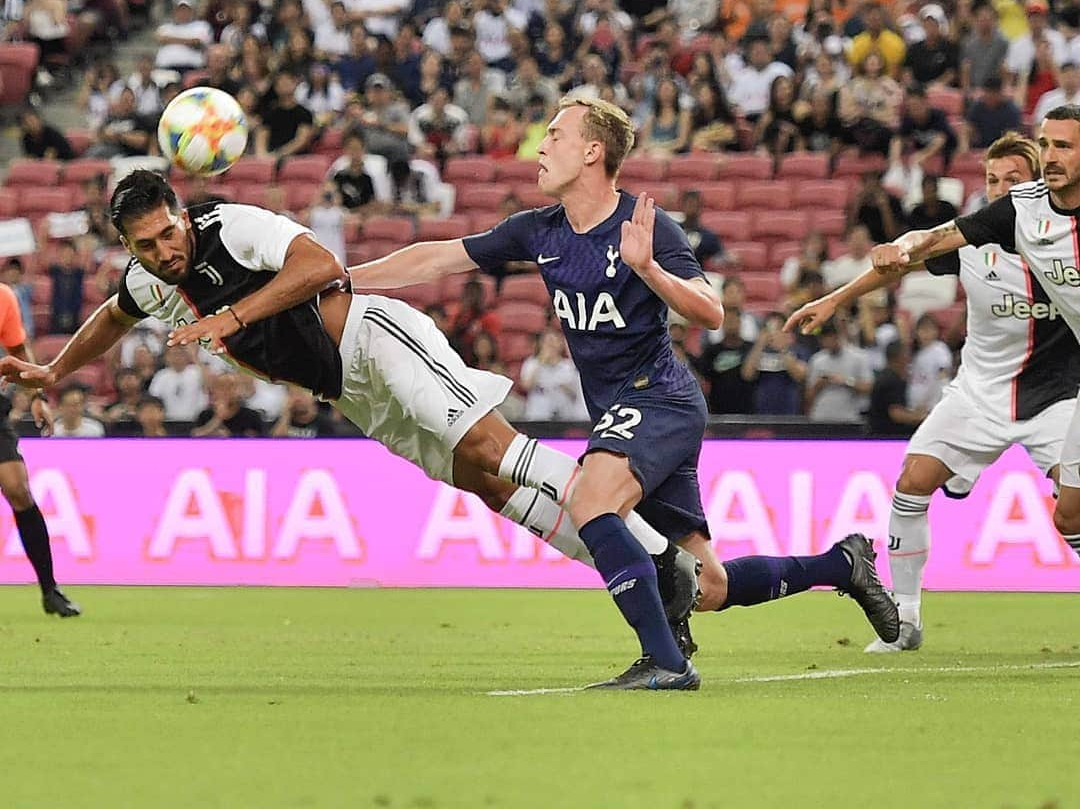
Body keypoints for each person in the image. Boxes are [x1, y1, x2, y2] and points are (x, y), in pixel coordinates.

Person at [0, 169, 702, 686]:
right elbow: (113, 317)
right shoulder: (150, 278)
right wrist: (56, 369)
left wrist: (233, 317)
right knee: (486, 485)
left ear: (181, 215)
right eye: (145, 245)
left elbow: (322, 265)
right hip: (351, 392)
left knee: (494, 447)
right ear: (127, 244)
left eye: (167, 233)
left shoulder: (232, 227)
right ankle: (639, 569)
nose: (163, 251)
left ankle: (663, 562)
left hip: (374, 336)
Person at [347, 97, 899, 687]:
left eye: (555, 135)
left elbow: (711, 311)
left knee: (589, 501)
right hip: (623, 412)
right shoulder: (539, 230)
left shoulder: (645, 224)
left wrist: (649, 272)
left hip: (660, 397)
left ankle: (665, 663)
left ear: (592, 151)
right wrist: (342, 280)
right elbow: (438, 259)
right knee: (708, 585)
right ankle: (843, 564)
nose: (540, 146)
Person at [790, 131, 1079, 650]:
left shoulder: (1060, 241)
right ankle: (905, 620)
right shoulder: (972, 242)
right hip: (979, 392)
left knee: (1075, 507)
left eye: (1013, 180)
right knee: (912, 480)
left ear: (1035, 186)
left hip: (1057, 396)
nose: (999, 189)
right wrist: (835, 300)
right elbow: (906, 255)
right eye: (992, 179)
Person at [0, 281, 79, 616]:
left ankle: (50, 589)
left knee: (18, 490)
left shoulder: (4, 297)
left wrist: (36, 395)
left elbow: (18, 349)